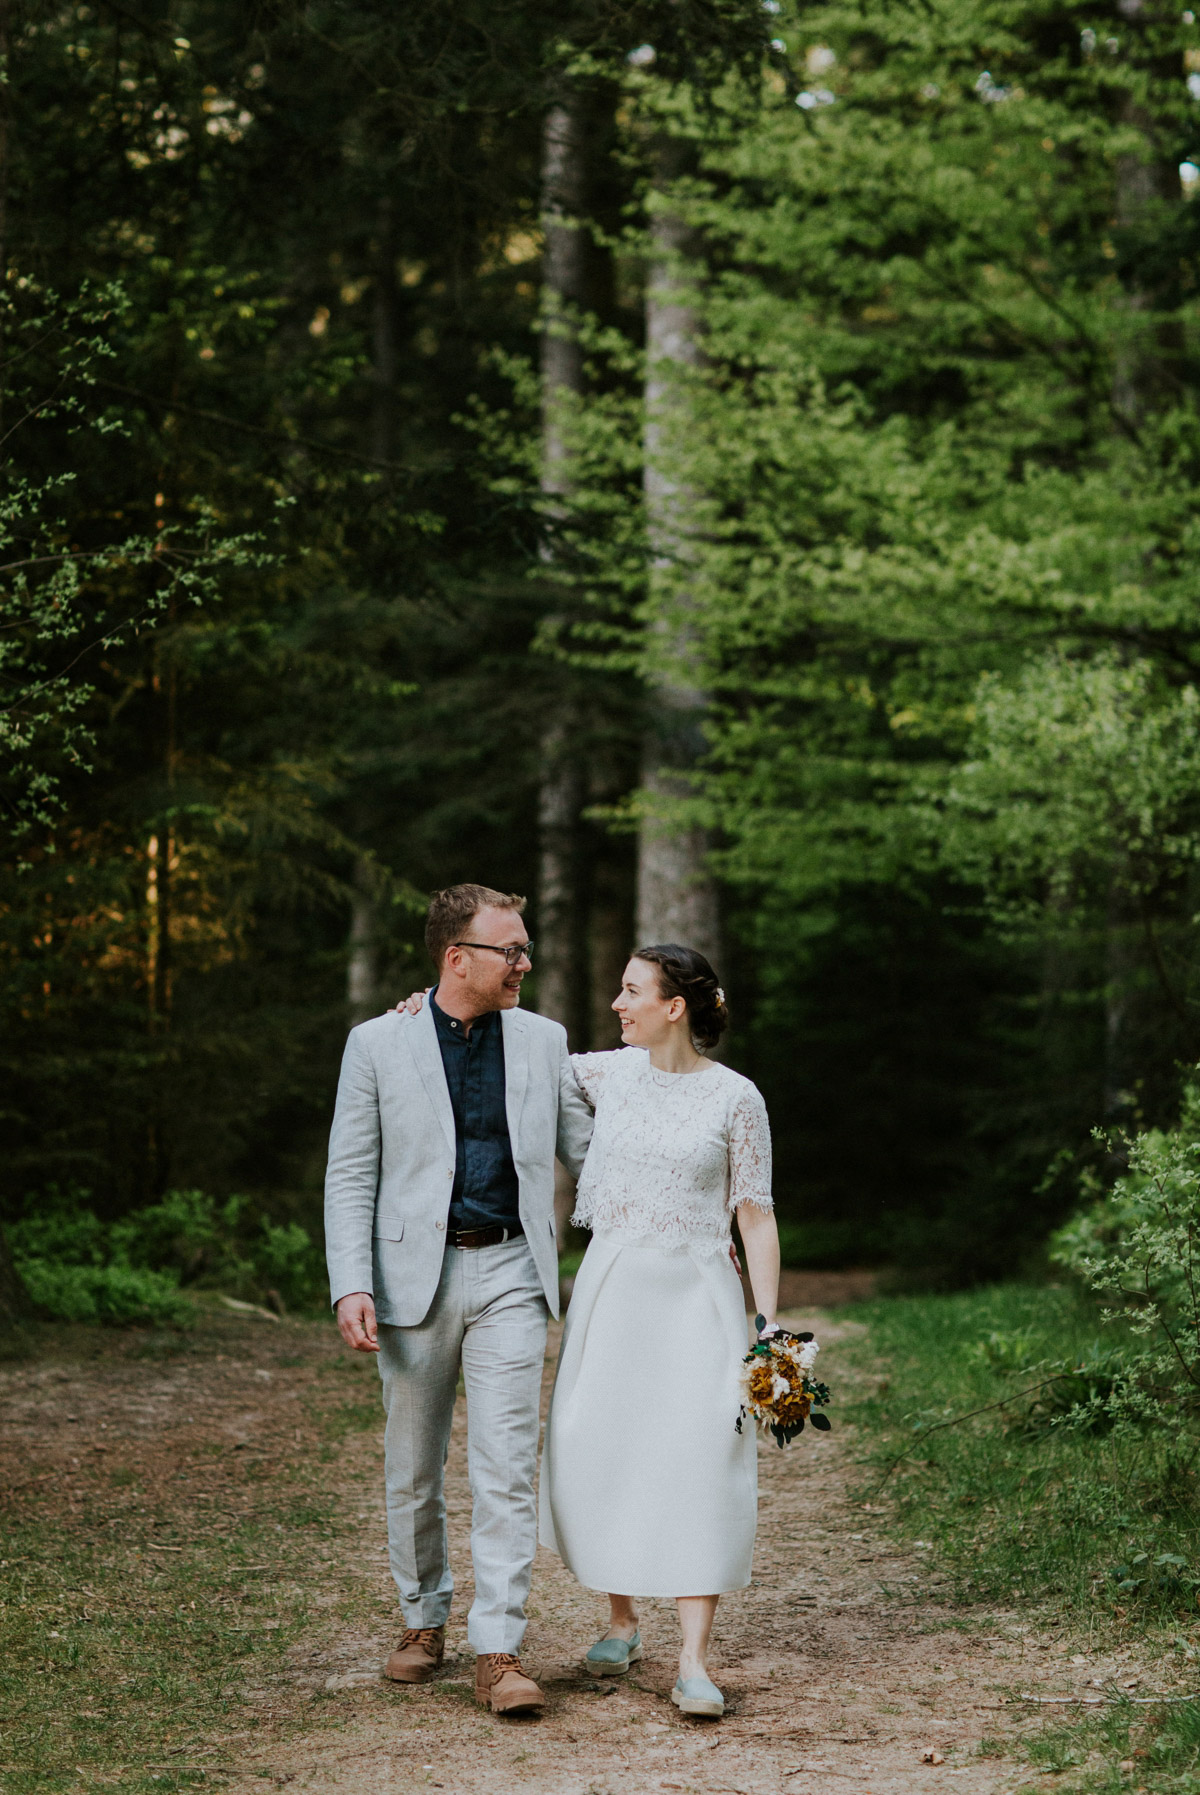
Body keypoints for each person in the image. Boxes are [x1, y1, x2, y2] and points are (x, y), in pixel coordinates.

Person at [323, 883, 593, 1716]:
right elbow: (351, 1172)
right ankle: (421, 1617)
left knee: (507, 1465)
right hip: (413, 1279)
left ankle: (499, 1646)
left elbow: (593, 1150)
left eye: (524, 948)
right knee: (412, 1464)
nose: (526, 962)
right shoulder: (377, 1043)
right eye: (509, 950)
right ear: (456, 957)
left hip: (513, 1271)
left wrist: (682, 1221)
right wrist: (352, 1282)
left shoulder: (547, 1040)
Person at [539, 944, 779, 1721]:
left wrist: (768, 1325)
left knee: (701, 1455)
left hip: (699, 1298)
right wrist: (421, 1007)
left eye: (632, 990)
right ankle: (620, 1619)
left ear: (675, 1005)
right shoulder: (604, 1074)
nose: (618, 1001)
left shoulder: (737, 1098)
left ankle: (695, 1660)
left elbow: (756, 1213)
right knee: (604, 1442)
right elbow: (519, 1052)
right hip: (614, 1291)